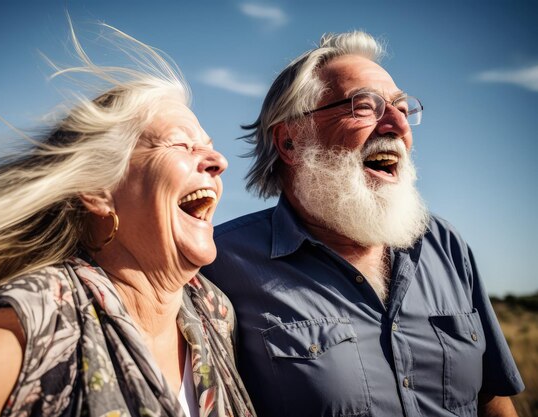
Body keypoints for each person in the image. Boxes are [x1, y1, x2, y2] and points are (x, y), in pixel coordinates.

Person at [0, 23, 255, 417]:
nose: (219, 162)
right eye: (181, 144)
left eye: (210, 148)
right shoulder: (35, 326)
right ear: (98, 191)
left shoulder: (213, 312)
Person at [201, 31, 524, 417]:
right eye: (366, 106)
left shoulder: (445, 245)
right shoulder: (220, 263)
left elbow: (492, 400)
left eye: (402, 109)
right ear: (289, 142)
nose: (397, 125)